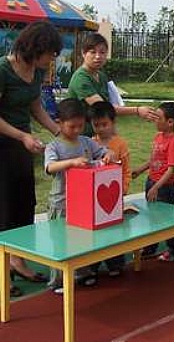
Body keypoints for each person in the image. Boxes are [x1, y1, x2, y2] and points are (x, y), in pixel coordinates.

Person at [0, 21, 62, 297]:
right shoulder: (3, 69)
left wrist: (59, 131)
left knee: (24, 202)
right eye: (50, 53)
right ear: (35, 48)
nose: (51, 60)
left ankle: (18, 261)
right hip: (3, 143)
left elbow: (35, 106)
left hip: (22, 145)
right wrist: (21, 136)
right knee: (4, 206)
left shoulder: (35, 71)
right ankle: (2, 273)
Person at [44, 98, 115, 293]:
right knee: (60, 241)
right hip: (62, 202)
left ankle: (82, 272)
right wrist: (72, 162)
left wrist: (108, 154)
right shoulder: (54, 146)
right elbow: (50, 167)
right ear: (59, 122)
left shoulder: (86, 142)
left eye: (80, 126)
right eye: (71, 126)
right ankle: (58, 280)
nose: (76, 130)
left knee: (82, 239)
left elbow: (104, 152)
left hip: (84, 201)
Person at [67, 32, 158, 135]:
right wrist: (137, 110)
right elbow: (103, 108)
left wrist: (114, 138)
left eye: (102, 52)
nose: (98, 56)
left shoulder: (101, 76)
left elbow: (110, 105)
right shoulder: (81, 78)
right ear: (84, 53)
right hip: (79, 137)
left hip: (98, 136)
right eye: (93, 52)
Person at [132, 102, 174, 261]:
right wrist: (140, 170)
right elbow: (153, 159)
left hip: (164, 187)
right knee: (152, 216)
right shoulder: (158, 136)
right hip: (151, 182)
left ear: (170, 122)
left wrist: (156, 187)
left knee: (168, 219)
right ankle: (151, 246)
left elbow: (170, 170)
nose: (155, 120)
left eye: (158, 118)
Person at [90, 100, 131, 277]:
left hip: (115, 196)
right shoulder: (90, 143)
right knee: (95, 234)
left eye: (104, 124)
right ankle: (92, 266)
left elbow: (126, 170)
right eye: (96, 125)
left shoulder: (120, 143)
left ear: (113, 123)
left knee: (114, 230)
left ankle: (115, 264)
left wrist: (124, 188)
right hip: (95, 199)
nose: (100, 128)